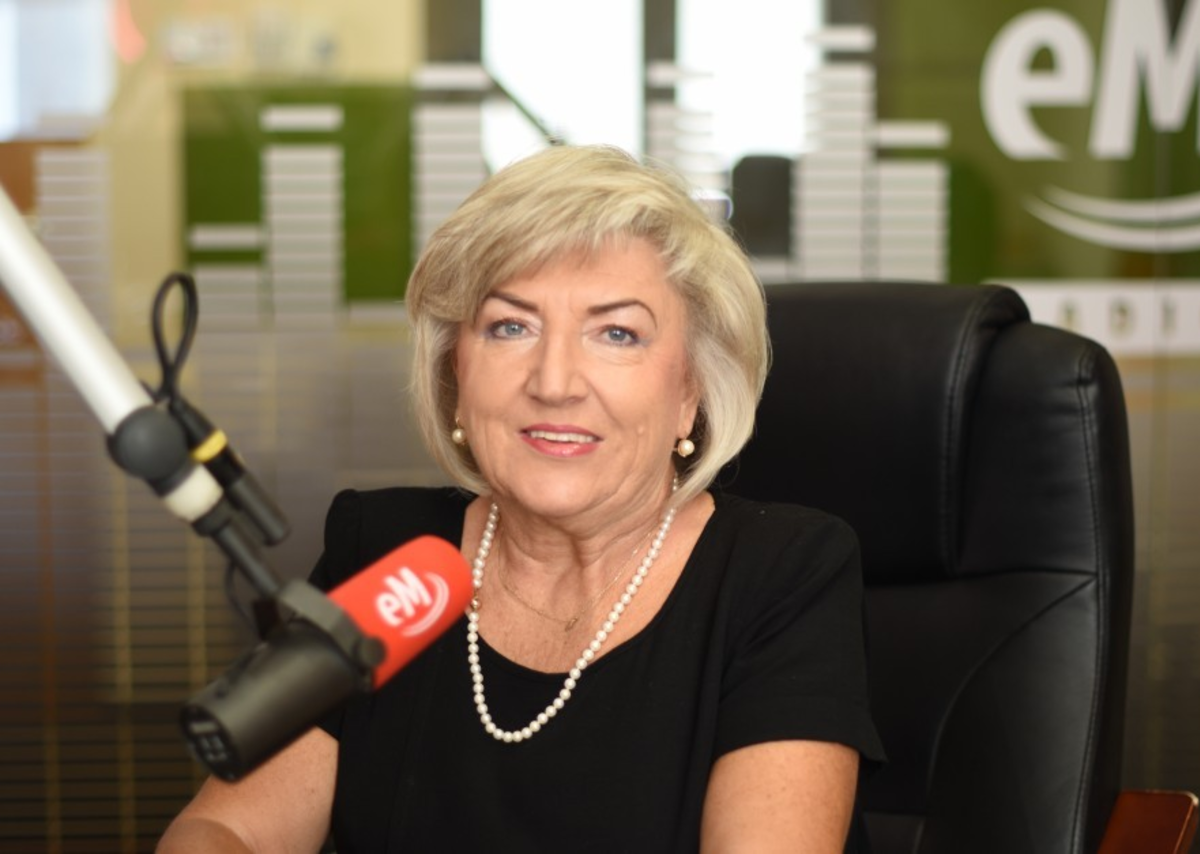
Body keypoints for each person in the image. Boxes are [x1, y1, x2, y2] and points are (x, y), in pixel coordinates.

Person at [158, 144, 884, 853]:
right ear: (456, 373)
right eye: (511, 327)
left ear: (691, 390)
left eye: (617, 333)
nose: (554, 382)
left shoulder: (781, 574)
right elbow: (227, 828)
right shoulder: (386, 555)